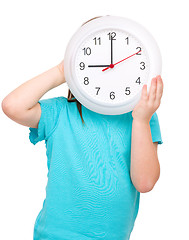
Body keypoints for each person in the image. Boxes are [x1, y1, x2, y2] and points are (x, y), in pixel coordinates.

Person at [2, 16, 163, 240]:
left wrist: (142, 120)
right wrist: (61, 70)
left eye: (117, 63)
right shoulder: (60, 112)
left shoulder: (141, 116)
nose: (110, 68)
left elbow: (144, 182)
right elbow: (12, 106)